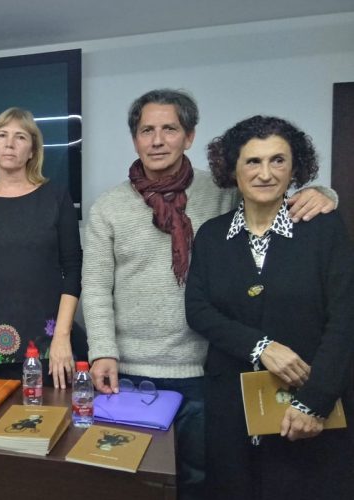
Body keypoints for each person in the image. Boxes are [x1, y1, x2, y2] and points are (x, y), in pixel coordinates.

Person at [81, 89, 336, 500]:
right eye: (147, 130)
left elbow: (271, 191)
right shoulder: (108, 208)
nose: (158, 140)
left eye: (170, 128)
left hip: (204, 372)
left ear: (190, 136)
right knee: (128, 479)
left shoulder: (220, 189)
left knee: (201, 480)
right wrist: (102, 351)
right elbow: (94, 286)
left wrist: (324, 194)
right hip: (129, 372)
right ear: (135, 139)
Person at [185, 116, 354, 499]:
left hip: (308, 406)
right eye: (253, 162)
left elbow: (344, 319)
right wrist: (261, 346)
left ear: (295, 168)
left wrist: (315, 401)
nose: (265, 173)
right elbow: (198, 309)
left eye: (278, 160)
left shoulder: (323, 229)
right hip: (230, 406)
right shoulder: (212, 235)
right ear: (233, 170)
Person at [0, 107, 82, 388]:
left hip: (48, 347)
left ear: (33, 150)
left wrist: (62, 338)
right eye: (2, 135)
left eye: (20, 137)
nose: (9, 143)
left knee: (47, 424)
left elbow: (73, 270)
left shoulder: (56, 198)